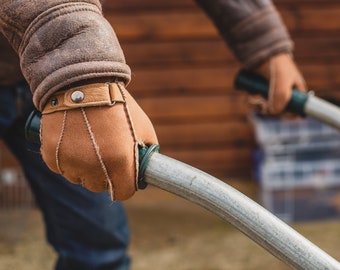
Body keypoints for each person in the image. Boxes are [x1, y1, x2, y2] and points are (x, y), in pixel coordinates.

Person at [0, 0, 306, 269]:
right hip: (62, 81)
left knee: (98, 250)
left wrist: (263, 39)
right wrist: (77, 69)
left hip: (45, 81)